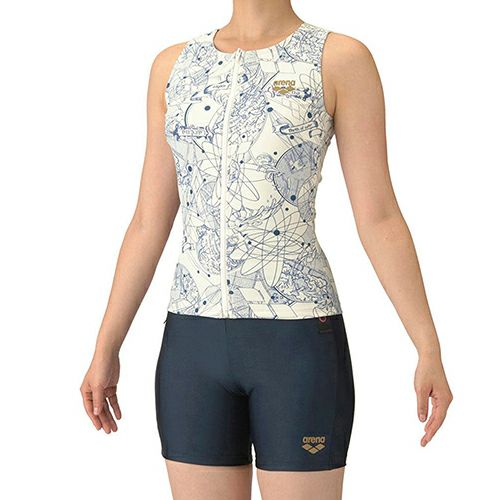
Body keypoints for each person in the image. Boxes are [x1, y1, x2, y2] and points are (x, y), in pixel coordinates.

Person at [80, 1, 453, 499]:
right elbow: (149, 221)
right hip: (191, 342)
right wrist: (106, 345)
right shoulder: (174, 66)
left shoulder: (338, 59)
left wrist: (427, 345)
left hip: (296, 341)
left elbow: (379, 216)